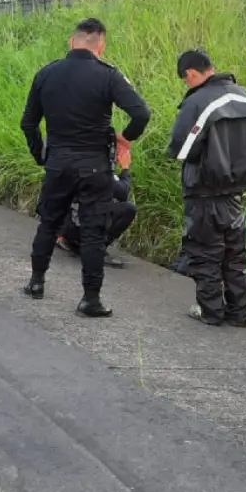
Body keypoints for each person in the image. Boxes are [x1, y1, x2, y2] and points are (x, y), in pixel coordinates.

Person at [20, 17, 152, 317]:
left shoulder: (46, 73)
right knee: (93, 232)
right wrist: (125, 139)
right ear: (101, 48)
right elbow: (141, 113)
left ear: (72, 42)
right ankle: (90, 299)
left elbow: (28, 122)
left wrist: (41, 156)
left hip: (58, 163)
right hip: (95, 167)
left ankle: (36, 283)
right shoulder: (109, 75)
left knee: (49, 224)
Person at [167, 49, 246, 327]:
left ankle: (211, 311)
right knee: (235, 255)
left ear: (191, 74)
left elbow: (181, 148)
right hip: (236, 194)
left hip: (204, 192)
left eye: (185, 80)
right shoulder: (245, 96)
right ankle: (239, 313)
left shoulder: (198, 101)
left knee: (205, 254)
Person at [57, 129, 137, 268]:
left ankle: (67, 239)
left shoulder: (85, 159)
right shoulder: (100, 167)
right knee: (128, 209)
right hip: (77, 225)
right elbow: (123, 192)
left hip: (69, 224)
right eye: (124, 151)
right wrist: (125, 167)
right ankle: (93, 249)